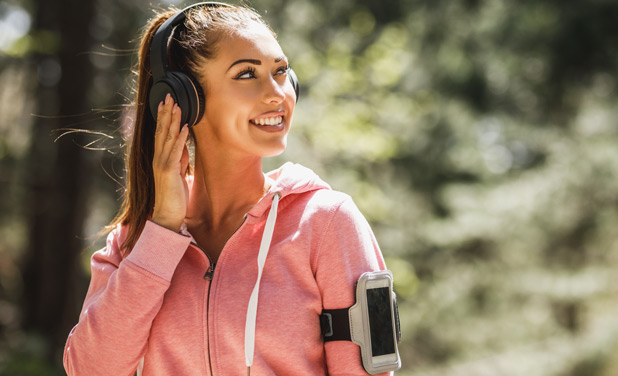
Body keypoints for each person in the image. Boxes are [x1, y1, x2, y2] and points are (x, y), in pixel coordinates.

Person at [63, 2, 390, 375]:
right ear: (185, 99)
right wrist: (163, 232)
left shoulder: (327, 222)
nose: (277, 94)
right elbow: (89, 369)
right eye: (247, 74)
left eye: (281, 72)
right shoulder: (135, 241)